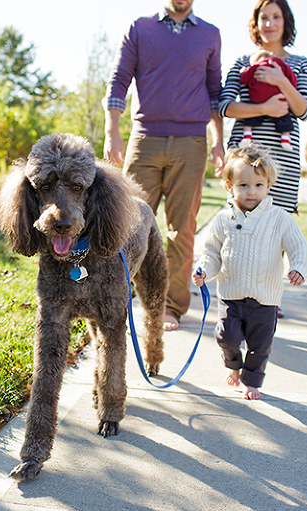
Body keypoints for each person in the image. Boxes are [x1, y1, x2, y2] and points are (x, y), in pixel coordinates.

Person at [103, 0, 225, 332]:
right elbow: (118, 81)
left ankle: (170, 307)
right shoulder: (140, 28)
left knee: (181, 228)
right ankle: (115, 298)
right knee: (126, 223)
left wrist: (218, 141)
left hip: (192, 142)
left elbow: (215, 93)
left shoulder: (210, 35)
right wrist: (112, 132)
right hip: (144, 139)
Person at [193, 144, 307, 399]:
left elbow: (299, 248)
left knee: (260, 345)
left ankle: (251, 381)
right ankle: (233, 364)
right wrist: (204, 270)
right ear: (230, 186)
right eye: (243, 185)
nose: (251, 192)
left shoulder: (280, 219)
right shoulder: (223, 220)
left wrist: (299, 269)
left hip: (265, 299)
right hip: (231, 294)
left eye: (258, 185)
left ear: (268, 186)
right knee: (226, 337)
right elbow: (212, 253)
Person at [218, 0, 307, 215]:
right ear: (256, 23)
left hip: (284, 158)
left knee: (278, 226)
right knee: (240, 224)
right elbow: (225, 107)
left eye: (276, 17)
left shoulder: (300, 63)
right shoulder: (242, 62)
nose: (270, 23)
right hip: (244, 157)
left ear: (286, 21)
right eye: (264, 17)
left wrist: (281, 80)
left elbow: (304, 111)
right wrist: (265, 108)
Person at [239, 49, 297, 151]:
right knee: (285, 117)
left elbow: (244, 79)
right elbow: (292, 78)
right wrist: (286, 83)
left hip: (257, 99)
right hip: (278, 100)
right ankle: (285, 138)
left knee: (249, 118)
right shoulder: (281, 65)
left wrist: (244, 71)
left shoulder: (257, 65)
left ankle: (247, 135)